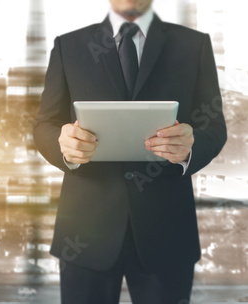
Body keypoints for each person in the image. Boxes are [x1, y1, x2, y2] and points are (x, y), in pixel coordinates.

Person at [33, 0, 227, 303]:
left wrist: (190, 147)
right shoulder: (69, 45)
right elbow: (45, 124)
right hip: (84, 233)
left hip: (167, 231)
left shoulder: (193, 45)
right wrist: (64, 145)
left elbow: (214, 127)